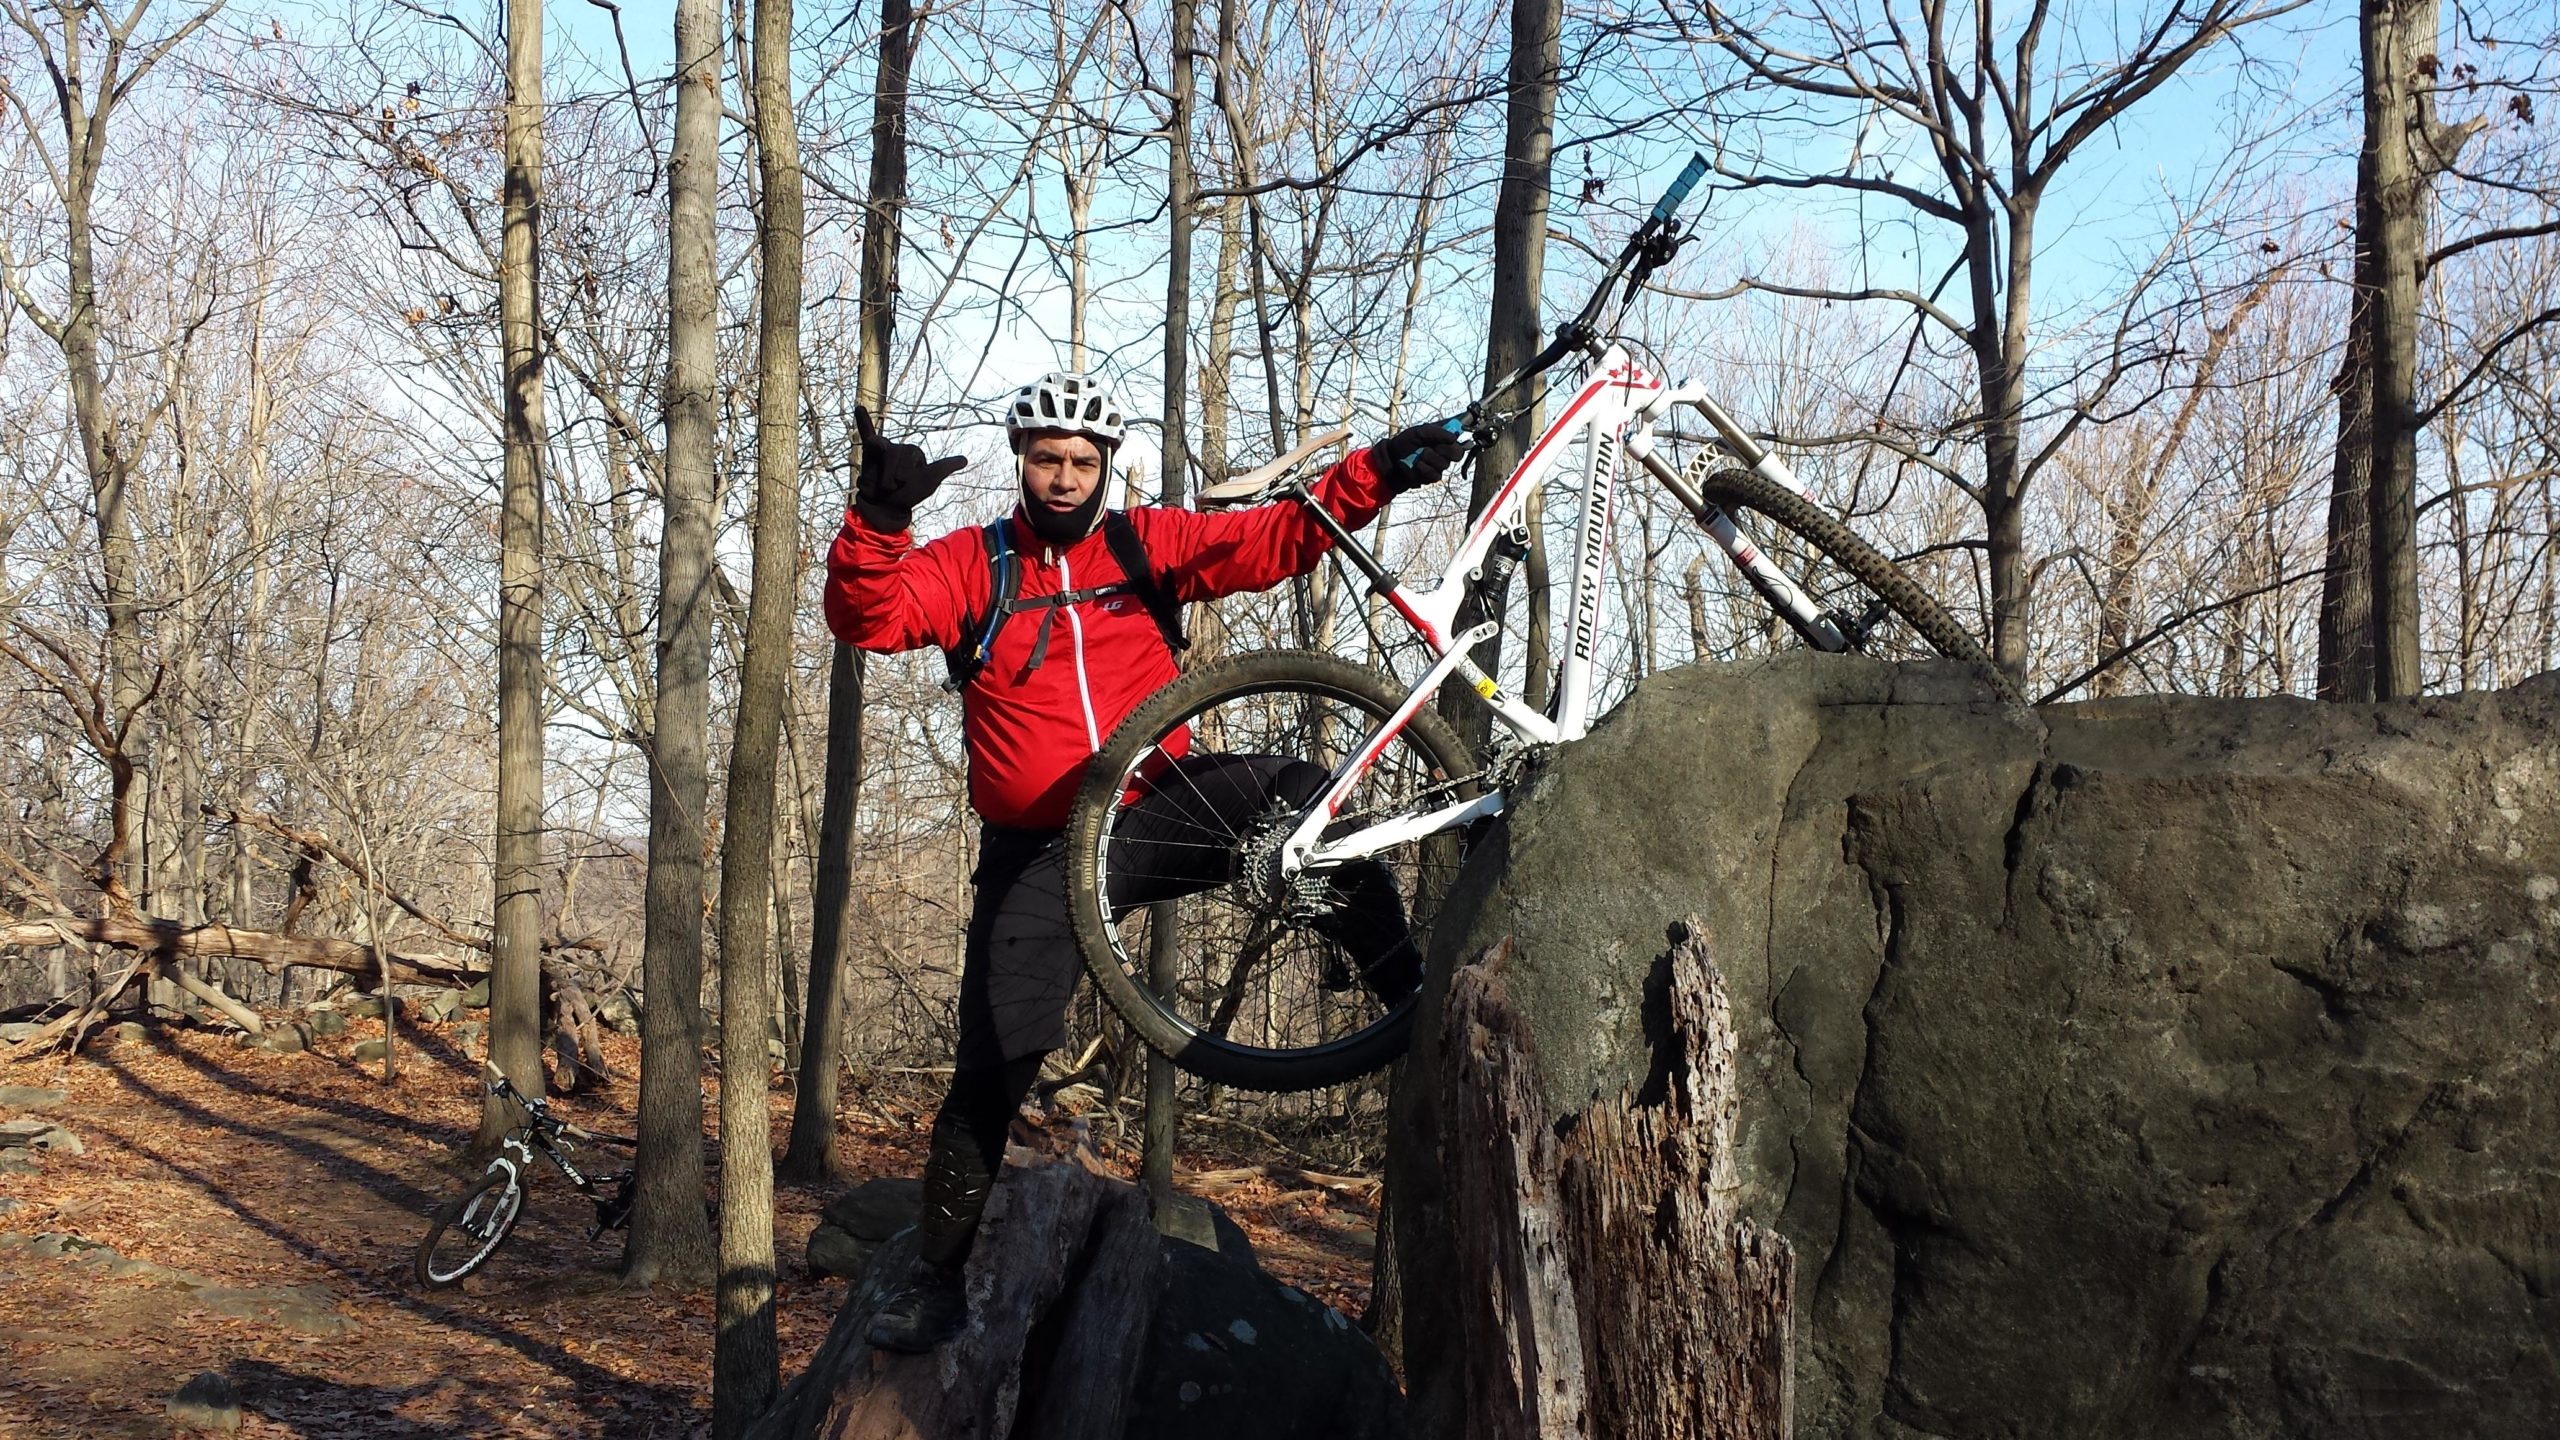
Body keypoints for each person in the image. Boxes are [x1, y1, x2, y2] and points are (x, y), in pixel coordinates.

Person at [823, 371, 1463, 1351]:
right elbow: (868, 619)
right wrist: (878, 520)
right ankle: (934, 1279)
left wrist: (1380, 471)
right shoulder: (972, 566)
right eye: (1048, 459)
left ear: (1105, 467)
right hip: (1038, 848)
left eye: (1083, 461)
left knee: (1306, 800)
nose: (1066, 476)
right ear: (1022, 460)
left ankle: (1408, 1000)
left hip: (1156, 805)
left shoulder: (1143, 544)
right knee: (993, 1060)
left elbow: (1278, 540)